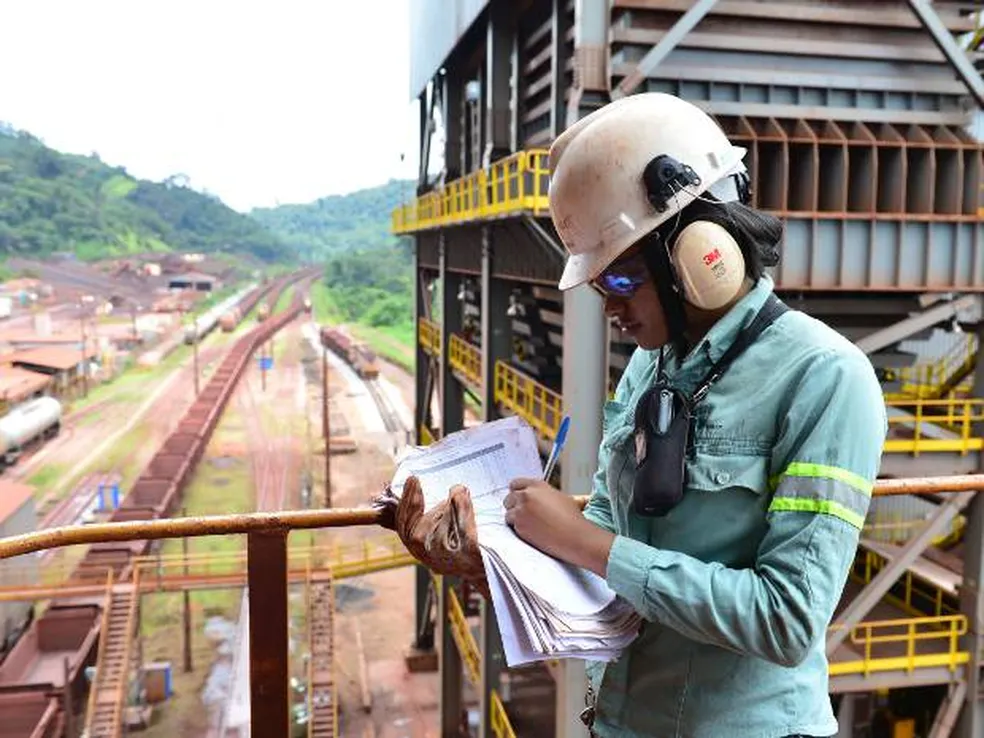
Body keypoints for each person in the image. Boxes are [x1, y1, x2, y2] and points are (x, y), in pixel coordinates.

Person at [385, 92, 888, 738]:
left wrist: (588, 544)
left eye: (619, 281)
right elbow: (608, 544)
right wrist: (502, 565)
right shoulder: (652, 366)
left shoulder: (825, 379)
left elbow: (786, 619)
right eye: (598, 288)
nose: (609, 307)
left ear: (699, 251)